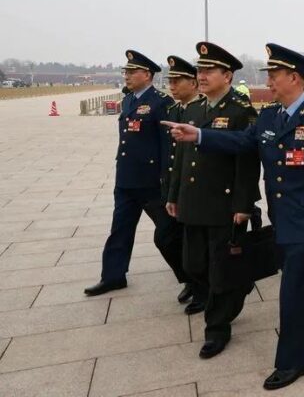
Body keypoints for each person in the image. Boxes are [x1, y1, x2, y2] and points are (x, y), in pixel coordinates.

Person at [163, 43, 304, 390]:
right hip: (281, 219)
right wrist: (200, 135)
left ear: (293, 78)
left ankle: (293, 361)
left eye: (273, 75)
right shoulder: (269, 117)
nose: (268, 81)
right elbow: (242, 143)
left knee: (292, 293)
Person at [167, 42, 261, 359]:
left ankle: (217, 328)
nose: (202, 76)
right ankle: (239, 284)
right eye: (200, 70)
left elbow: (248, 161)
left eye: (209, 70)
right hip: (194, 201)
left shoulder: (240, 110)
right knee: (194, 264)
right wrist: (174, 195)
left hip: (224, 203)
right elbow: (182, 156)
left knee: (220, 271)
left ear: (228, 75)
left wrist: (243, 205)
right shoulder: (194, 109)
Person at [84, 50, 188, 298]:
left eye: (132, 72)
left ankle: (191, 278)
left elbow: (167, 146)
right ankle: (113, 276)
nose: (127, 76)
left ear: (147, 75)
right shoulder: (129, 100)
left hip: (152, 182)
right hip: (127, 179)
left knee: (169, 234)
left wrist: (167, 179)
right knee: (119, 229)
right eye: (126, 72)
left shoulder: (161, 103)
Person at [162, 56, 204, 308]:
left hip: (198, 187)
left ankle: (200, 286)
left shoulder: (201, 111)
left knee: (194, 246)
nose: (172, 86)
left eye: (178, 81)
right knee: (167, 238)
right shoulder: (173, 111)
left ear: (193, 83)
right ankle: (190, 279)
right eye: (170, 81)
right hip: (176, 186)